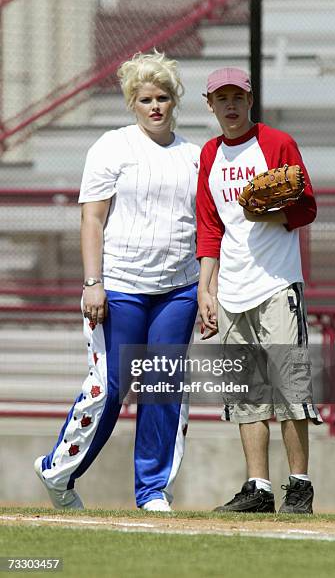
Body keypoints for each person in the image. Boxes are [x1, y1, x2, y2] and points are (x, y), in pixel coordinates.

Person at [34, 51, 201, 512]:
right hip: (121, 287)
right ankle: (59, 471)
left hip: (178, 288)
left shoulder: (194, 156)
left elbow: (207, 226)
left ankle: (153, 491)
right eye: (145, 98)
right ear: (132, 102)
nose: (154, 106)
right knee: (108, 388)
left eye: (162, 97)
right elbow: (92, 218)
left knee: (164, 388)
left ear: (174, 101)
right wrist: (93, 282)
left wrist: (205, 289)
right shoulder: (112, 147)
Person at [196, 67, 322, 514]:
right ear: (210, 105)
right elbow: (210, 226)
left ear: (250, 100)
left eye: (237, 96)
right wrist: (205, 291)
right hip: (230, 289)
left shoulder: (276, 143)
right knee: (246, 394)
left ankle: (299, 487)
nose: (230, 105)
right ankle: (258, 489)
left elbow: (306, 208)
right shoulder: (209, 155)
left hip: (276, 284)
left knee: (290, 387)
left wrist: (269, 213)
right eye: (220, 98)